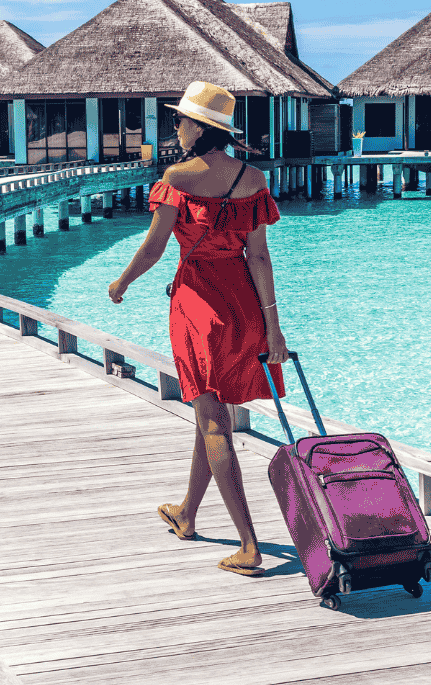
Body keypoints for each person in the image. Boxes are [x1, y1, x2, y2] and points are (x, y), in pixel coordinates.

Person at [107, 81, 290, 577]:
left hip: (198, 305)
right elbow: (260, 257)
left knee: (213, 421)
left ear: (199, 127)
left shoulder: (177, 176)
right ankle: (187, 513)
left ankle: (249, 546)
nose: (177, 128)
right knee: (210, 413)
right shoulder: (252, 178)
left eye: (180, 120)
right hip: (244, 306)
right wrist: (274, 331)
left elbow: (154, 247)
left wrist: (121, 282)